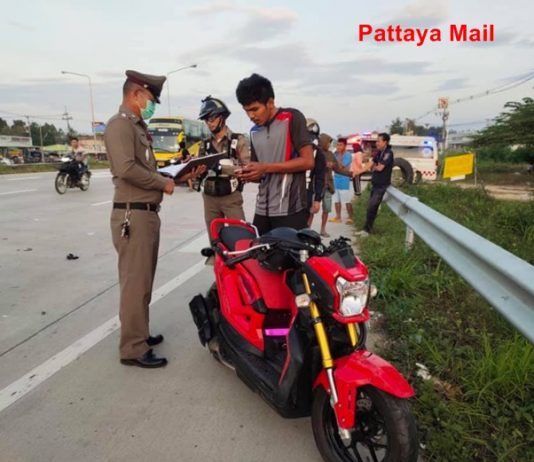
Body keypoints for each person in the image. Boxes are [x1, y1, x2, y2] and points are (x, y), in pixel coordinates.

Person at [104, 70, 204, 368]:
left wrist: (179, 175)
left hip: (145, 214)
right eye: (151, 99)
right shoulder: (120, 125)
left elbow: (144, 170)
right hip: (132, 215)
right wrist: (163, 183)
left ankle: (140, 334)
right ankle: (132, 348)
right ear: (135, 94)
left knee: (143, 282)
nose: (152, 106)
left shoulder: (137, 126)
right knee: (135, 284)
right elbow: (125, 169)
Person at [235, 73, 314, 235]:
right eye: (246, 111)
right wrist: (248, 174)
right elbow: (260, 172)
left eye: (255, 109)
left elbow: (308, 161)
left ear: (270, 102)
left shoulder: (292, 117)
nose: (251, 116)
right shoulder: (254, 131)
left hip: (290, 209)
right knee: (257, 250)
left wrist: (265, 168)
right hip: (262, 210)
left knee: (291, 251)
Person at [197, 96, 250, 236]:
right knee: (215, 239)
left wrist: (222, 168)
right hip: (209, 198)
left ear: (222, 117)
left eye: (211, 119)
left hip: (231, 196)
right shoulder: (205, 144)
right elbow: (199, 168)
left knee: (240, 236)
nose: (209, 123)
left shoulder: (238, 140)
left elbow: (247, 169)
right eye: (206, 120)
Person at [357, 132, 394, 236]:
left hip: (381, 186)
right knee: (371, 208)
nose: (377, 143)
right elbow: (371, 164)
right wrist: (359, 172)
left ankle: (367, 230)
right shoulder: (379, 153)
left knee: (372, 207)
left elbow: (380, 167)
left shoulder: (388, 153)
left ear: (385, 142)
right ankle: (366, 229)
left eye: (379, 141)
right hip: (376, 184)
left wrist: (374, 167)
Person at [318, 133, 352, 237]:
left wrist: (351, 174)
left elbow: (338, 168)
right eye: (328, 143)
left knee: (327, 209)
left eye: (330, 143)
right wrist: (323, 164)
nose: (329, 145)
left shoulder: (331, 155)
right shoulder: (316, 152)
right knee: (313, 209)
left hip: (329, 185)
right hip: (317, 184)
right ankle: (307, 229)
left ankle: (323, 229)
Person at [305, 118, 326, 227]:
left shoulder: (319, 154)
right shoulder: (293, 149)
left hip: (306, 192)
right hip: (290, 192)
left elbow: (320, 178)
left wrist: (317, 199)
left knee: (304, 224)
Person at [329, 137, 354, 224]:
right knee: (336, 200)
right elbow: (331, 165)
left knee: (347, 201)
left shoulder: (348, 155)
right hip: (336, 179)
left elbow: (340, 166)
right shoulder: (335, 154)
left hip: (344, 180)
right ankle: (338, 217)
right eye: (338, 145)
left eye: (341, 145)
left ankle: (350, 217)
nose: (339, 146)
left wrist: (338, 156)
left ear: (345, 146)